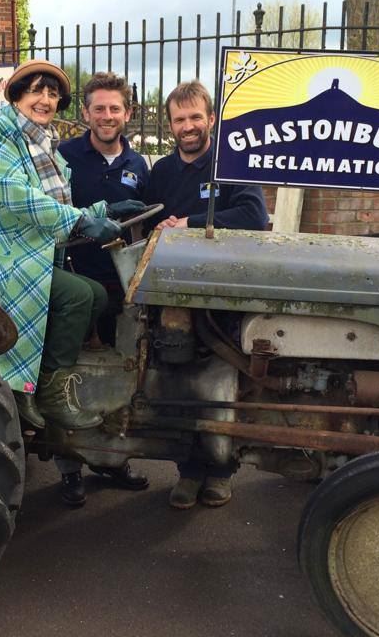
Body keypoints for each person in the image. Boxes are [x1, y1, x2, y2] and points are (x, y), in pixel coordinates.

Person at [0, 59, 142, 432]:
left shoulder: (44, 145)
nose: (45, 99)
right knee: (80, 296)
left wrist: (103, 209)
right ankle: (40, 390)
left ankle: (43, 380)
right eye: (36, 91)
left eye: (52, 93)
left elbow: (55, 205)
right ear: (17, 96)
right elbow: (15, 195)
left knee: (97, 296)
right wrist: (81, 222)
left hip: (23, 250)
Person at [143, 80, 269, 510]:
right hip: (174, 297)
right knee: (178, 381)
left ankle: (220, 472)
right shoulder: (160, 173)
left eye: (196, 117)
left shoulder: (233, 164)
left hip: (224, 295)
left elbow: (253, 216)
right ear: (170, 125)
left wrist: (190, 223)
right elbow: (145, 220)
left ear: (211, 119)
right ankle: (188, 470)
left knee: (221, 382)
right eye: (180, 119)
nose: (189, 126)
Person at [53, 71, 151, 506]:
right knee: (67, 370)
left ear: (126, 114)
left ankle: (110, 460)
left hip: (118, 284)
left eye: (115, 109)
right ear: (86, 113)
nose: (107, 116)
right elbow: (49, 208)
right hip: (73, 278)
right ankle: (67, 467)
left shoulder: (138, 165)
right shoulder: (64, 155)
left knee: (115, 374)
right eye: (99, 108)